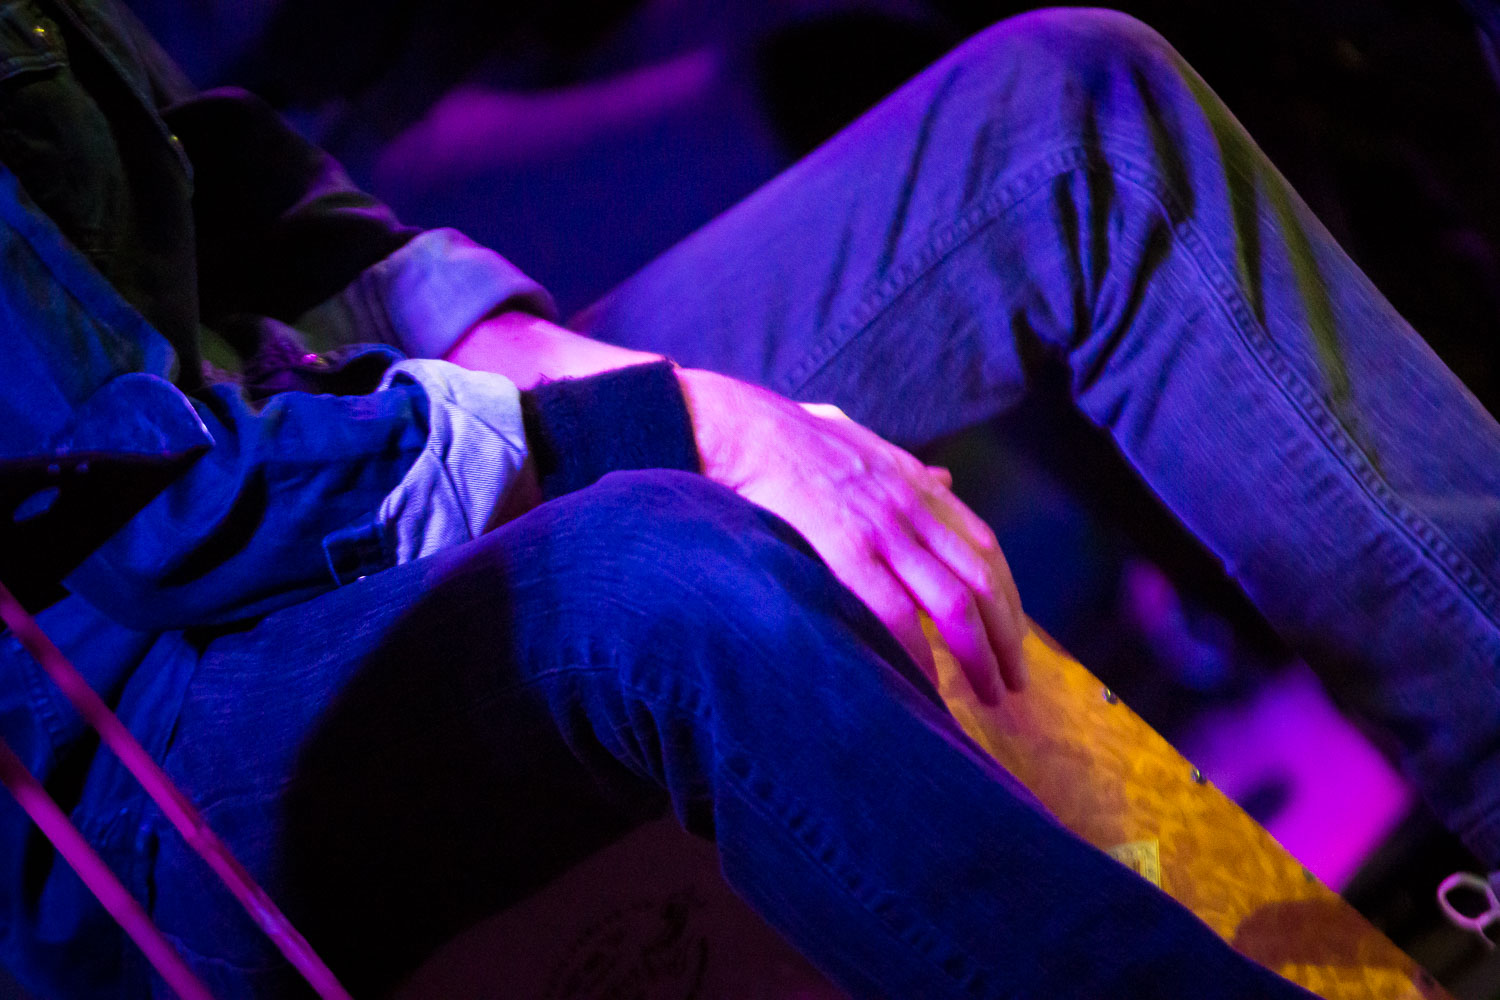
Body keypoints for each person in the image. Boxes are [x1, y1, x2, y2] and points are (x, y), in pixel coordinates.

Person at [1, 1, 1495, 997]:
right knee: (662, 575)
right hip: (143, 725)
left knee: (1065, 124)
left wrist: (526, 347)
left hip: (347, 418)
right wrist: (693, 424)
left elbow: (228, 180)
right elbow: (167, 513)